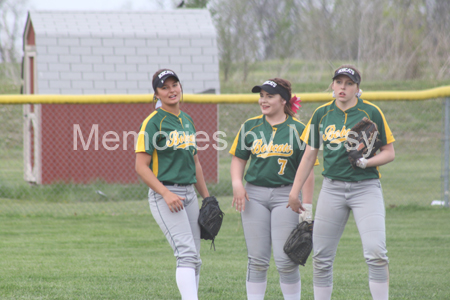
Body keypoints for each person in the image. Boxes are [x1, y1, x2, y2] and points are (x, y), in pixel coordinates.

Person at [287, 65, 395, 300]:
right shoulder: (321, 114)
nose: (343, 87)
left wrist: (367, 162)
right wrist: (294, 192)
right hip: (332, 189)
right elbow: (309, 156)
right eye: (339, 82)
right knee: (322, 257)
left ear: (358, 88)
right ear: (332, 85)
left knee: (376, 252)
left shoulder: (371, 112)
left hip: (365, 188)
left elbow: (389, 152)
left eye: (349, 83)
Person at [230, 78, 318, 300]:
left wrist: (306, 208)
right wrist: (237, 183)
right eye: (261, 96)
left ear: (283, 100)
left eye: (269, 96)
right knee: (257, 259)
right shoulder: (250, 126)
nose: (263, 100)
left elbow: (308, 171)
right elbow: (238, 160)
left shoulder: (299, 129)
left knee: (285, 260)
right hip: (254, 196)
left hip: (286, 196)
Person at [135, 69, 210, 300]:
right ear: (156, 94)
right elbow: (141, 166)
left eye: (174, 84)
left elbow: (195, 162)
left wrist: (207, 198)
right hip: (165, 194)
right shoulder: (152, 122)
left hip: (189, 193)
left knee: (195, 257)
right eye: (164, 87)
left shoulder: (186, 120)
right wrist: (166, 193)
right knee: (186, 254)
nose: (171, 90)